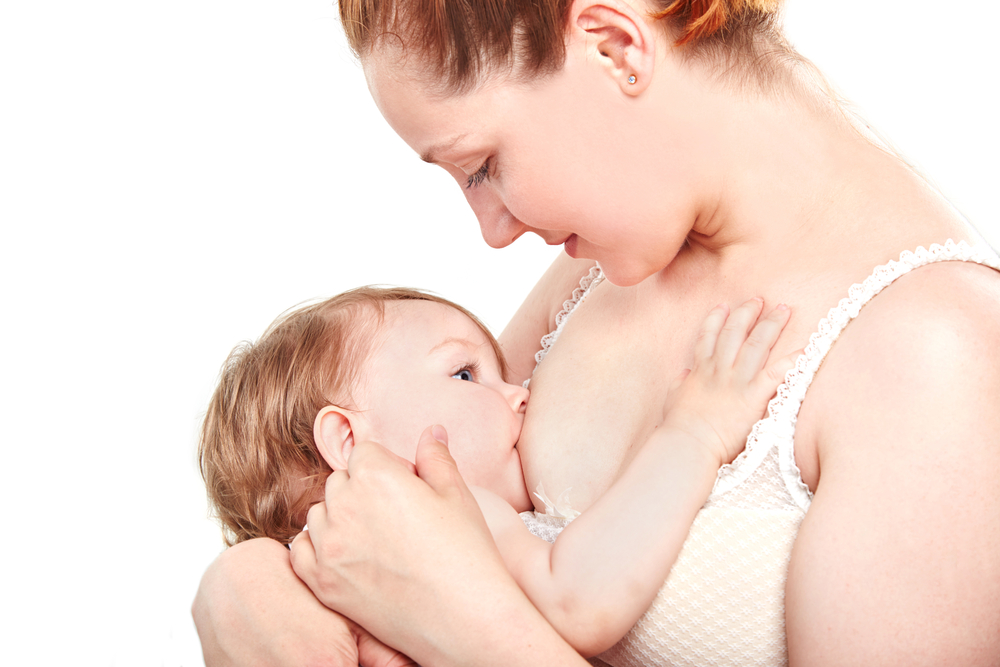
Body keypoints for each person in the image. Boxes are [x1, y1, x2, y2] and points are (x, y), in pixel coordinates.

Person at [192, 0, 1000, 665]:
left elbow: (446, 585)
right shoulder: (600, 270)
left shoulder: (940, 357)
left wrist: (477, 636)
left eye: (481, 165)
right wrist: (241, 586)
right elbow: (360, 481)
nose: (492, 230)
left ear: (615, 47)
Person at [200, 285, 794, 656]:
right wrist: (695, 432)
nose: (520, 393)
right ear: (348, 439)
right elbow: (579, 599)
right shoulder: (439, 514)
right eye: (466, 374)